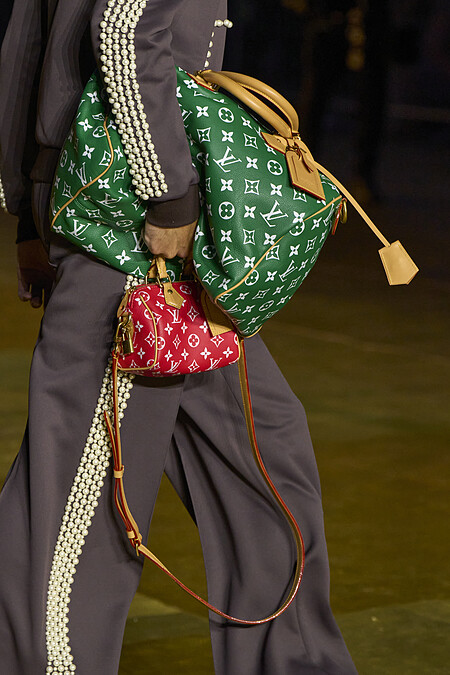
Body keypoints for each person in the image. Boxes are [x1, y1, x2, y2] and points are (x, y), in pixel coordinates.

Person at [0, 1, 358, 673]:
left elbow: (28, 39)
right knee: (81, 511)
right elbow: (124, 28)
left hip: (132, 213)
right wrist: (168, 191)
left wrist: (27, 203)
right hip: (131, 221)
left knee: (267, 464)